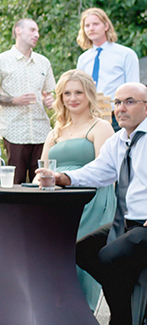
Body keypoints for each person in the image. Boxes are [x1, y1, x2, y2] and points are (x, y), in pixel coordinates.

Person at [38, 82, 147, 325]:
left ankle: (124, 317)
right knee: (83, 250)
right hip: (127, 222)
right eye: (117, 102)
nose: (121, 108)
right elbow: (97, 171)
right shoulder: (118, 141)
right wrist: (62, 177)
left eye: (129, 101)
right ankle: (126, 318)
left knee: (109, 255)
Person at [36, 70, 114, 309]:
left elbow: (105, 170)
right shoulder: (55, 131)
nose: (73, 98)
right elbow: (44, 168)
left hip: (91, 196)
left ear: (89, 95)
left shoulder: (101, 127)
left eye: (78, 92)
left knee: (80, 244)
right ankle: (48, 300)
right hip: (57, 198)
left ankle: (81, 307)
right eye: (67, 93)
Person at [0, 18, 56, 185]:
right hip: (14, 131)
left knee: (42, 181)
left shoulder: (43, 62)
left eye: (37, 31)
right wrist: (15, 100)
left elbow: (47, 93)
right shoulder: (0, 61)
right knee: (15, 183)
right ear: (18, 31)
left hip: (41, 131)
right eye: (32, 30)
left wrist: (49, 100)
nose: (37, 35)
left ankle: (41, 212)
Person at [75, 8, 139, 127]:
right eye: (87, 25)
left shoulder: (126, 54)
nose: (91, 28)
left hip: (117, 115)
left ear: (106, 26)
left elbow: (134, 89)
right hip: (91, 115)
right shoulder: (83, 59)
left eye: (95, 24)